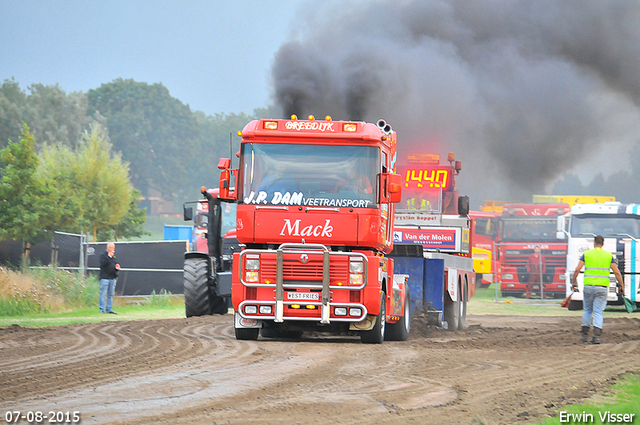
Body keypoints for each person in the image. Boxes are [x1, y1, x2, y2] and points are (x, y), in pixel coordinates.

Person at [571, 235, 624, 344]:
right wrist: (622, 286)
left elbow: (577, 269)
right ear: (603, 244)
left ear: (594, 243)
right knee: (598, 312)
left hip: (588, 287)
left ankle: (584, 335)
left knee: (587, 310)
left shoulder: (587, 254)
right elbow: (617, 272)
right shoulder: (608, 255)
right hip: (602, 287)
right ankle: (596, 337)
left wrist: (573, 282)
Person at [99, 242, 120, 314]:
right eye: (111, 247)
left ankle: (109, 309)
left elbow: (114, 265)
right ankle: (102, 309)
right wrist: (108, 256)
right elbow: (103, 263)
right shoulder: (103, 255)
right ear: (107, 248)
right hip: (105, 278)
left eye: (113, 248)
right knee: (103, 294)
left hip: (112, 278)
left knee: (111, 295)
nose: (112, 249)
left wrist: (117, 268)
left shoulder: (114, 257)